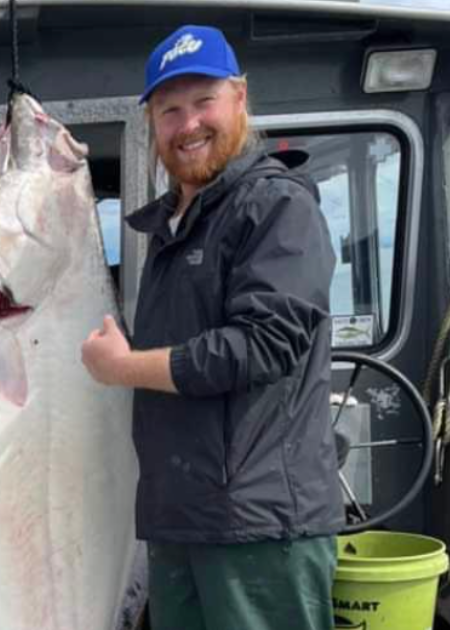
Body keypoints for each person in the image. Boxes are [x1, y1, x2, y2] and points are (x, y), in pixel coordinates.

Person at [79, 24, 342, 630]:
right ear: (151, 123)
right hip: (180, 524)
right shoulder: (171, 228)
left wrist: (123, 369)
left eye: (204, 102)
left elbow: (264, 343)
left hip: (258, 531)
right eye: (170, 109)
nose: (188, 123)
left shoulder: (276, 205)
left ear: (240, 99)